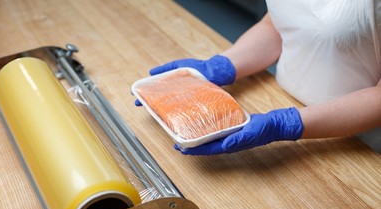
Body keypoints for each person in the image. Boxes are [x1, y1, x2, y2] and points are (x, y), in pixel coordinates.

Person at [138, 0, 381, 156]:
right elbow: (278, 24)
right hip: (283, 103)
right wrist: (221, 66)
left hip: (356, 147)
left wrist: (284, 124)